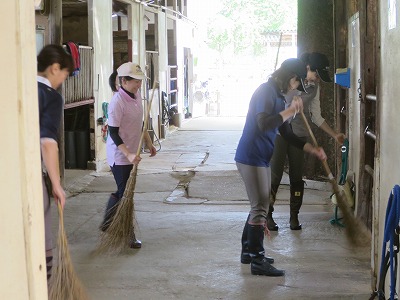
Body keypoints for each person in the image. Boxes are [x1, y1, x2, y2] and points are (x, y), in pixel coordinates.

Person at [235, 58, 327, 277]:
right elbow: (264, 123)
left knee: (260, 205)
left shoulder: (278, 96)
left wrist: (311, 149)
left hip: (261, 157)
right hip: (250, 156)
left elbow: (286, 133)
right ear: (290, 78)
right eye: (296, 83)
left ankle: (248, 251)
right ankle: (257, 260)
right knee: (260, 207)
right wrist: (290, 111)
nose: (295, 89)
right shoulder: (265, 91)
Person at [267, 52, 346, 231]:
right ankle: (267, 214)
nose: (317, 80)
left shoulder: (314, 88)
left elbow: (316, 116)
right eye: (316, 75)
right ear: (308, 67)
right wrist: (290, 104)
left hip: (300, 135)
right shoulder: (290, 78)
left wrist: (335, 135)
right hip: (280, 133)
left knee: (296, 176)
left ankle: (294, 216)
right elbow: (274, 106)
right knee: (275, 175)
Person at [100, 62, 157, 249]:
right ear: (123, 81)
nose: (138, 85)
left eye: (140, 81)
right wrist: (129, 154)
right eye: (135, 81)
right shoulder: (117, 102)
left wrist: (148, 143)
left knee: (123, 191)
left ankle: (108, 223)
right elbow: (114, 133)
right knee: (126, 193)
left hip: (133, 152)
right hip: (120, 154)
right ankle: (127, 232)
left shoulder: (136, 96)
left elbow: (140, 123)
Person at [37, 44, 74, 282]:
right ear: (54, 68)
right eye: (64, 74)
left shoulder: (15, 88)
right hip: (28, 175)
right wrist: (56, 185)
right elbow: (48, 142)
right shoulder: (50, 96)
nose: (63, 79)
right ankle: (43, 288)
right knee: (42, 236)